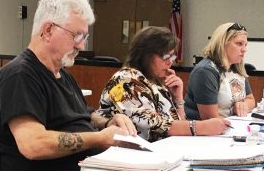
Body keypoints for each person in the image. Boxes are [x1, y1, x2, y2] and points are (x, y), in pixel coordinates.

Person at [0, 0, 136, 171]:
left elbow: (83, 115)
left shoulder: (62, 74)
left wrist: (107, 122)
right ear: (48, 30)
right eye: (77, 35)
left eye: (85, 37)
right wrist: (100, 138)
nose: (81, 45)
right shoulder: (19, 75)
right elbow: (33, 144)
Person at [96, 26, 231, 142]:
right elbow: (154, 125)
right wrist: (202, 127)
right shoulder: (126, 80)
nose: (170, 62)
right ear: (145, 55)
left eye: (172, 57)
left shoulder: (154, 80)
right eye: (165, 57)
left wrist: (178, 99)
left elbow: (178, 123)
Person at [184, 22, 256, 121]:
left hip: (230, 126)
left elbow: (251, 100)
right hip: (206, 132)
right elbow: (210, 119)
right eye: (239, 44)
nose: (244, 49)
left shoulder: (237, 68)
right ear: (222, 43)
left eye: (245, 45)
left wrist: (243, 106)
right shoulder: (206, 71)